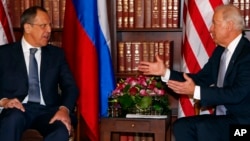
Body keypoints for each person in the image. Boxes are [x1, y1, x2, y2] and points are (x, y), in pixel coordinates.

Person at [138, 4, 250, 141]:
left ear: (229, 26)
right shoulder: (221, 51)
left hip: (242, 126)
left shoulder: (247, 54)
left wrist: (196, 91)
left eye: (214, 24)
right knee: (181, 126)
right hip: (223, 120)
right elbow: (200, 79)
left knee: (205, 128)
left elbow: (236, 94)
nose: (210, 29)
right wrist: (165, 72)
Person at [0, 6, 78, 141]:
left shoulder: (56, 55)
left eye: (49, 25)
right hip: (17, 109)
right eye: (43, 25)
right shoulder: (4, 54)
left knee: (60, 129)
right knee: (12, 120)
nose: (49, 30)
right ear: (27, 27)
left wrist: (64, 109)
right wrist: (4, 101)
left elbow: (71, 87)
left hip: (48, 111)